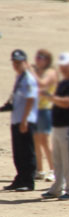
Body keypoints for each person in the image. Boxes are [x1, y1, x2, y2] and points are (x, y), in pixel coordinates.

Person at [41, 53, 69, 200]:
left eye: (67, 65)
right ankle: (57, 187)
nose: (64, 68)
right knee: (58, 160)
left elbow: (68, 102)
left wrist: (50, 97)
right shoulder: (64, 83)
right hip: (59, 126)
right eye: (62, 65)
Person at [1, 50, 38, 191]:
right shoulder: (20, 77)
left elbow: (31, 99)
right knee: (18, 152)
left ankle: (28, 181)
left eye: (19, 63)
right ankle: (20, 179)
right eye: (14, 63)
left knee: (27, 152)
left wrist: (24, 120)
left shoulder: (28, 78)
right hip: (17, 119)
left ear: (26, 63)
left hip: (26, 120)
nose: (16, 65)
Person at [30, 50, 57, 182]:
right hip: (35, 109)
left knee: (45, 141)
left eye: (41, 57)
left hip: (45, 109)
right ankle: (39, 169)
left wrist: (32, 72)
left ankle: (53, 169)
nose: (38, 59)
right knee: (35, 141)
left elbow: (42, 84)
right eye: (37, 57)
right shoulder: (37, 72)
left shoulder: (50, 72)